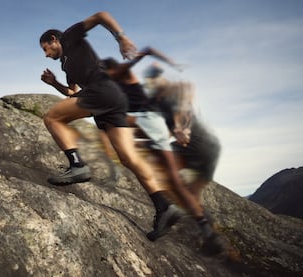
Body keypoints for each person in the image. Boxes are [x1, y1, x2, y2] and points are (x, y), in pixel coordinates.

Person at [39, 11, 177, 238]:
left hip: (102, 92)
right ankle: (164, 206)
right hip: (109, 100)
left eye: (45, 48)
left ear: (54, 39)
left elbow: (101, 16)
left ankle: (77, 165)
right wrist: (54, 83)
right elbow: (72, 94)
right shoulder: (65, 66)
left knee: (51, 118)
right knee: (128, 158)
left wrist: (121, 38)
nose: (46, 55)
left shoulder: (70, 36)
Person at [143, 63, 225, 255]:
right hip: (211, 146)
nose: (155, 82)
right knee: (192, 196)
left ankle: (171, 211)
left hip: (196, 143)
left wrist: (181, 127)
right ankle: (208, 235)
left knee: (163, 164)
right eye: (152, 79)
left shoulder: (176, 90)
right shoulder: (156, 102)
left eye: (157, 77)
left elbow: (184, 104)